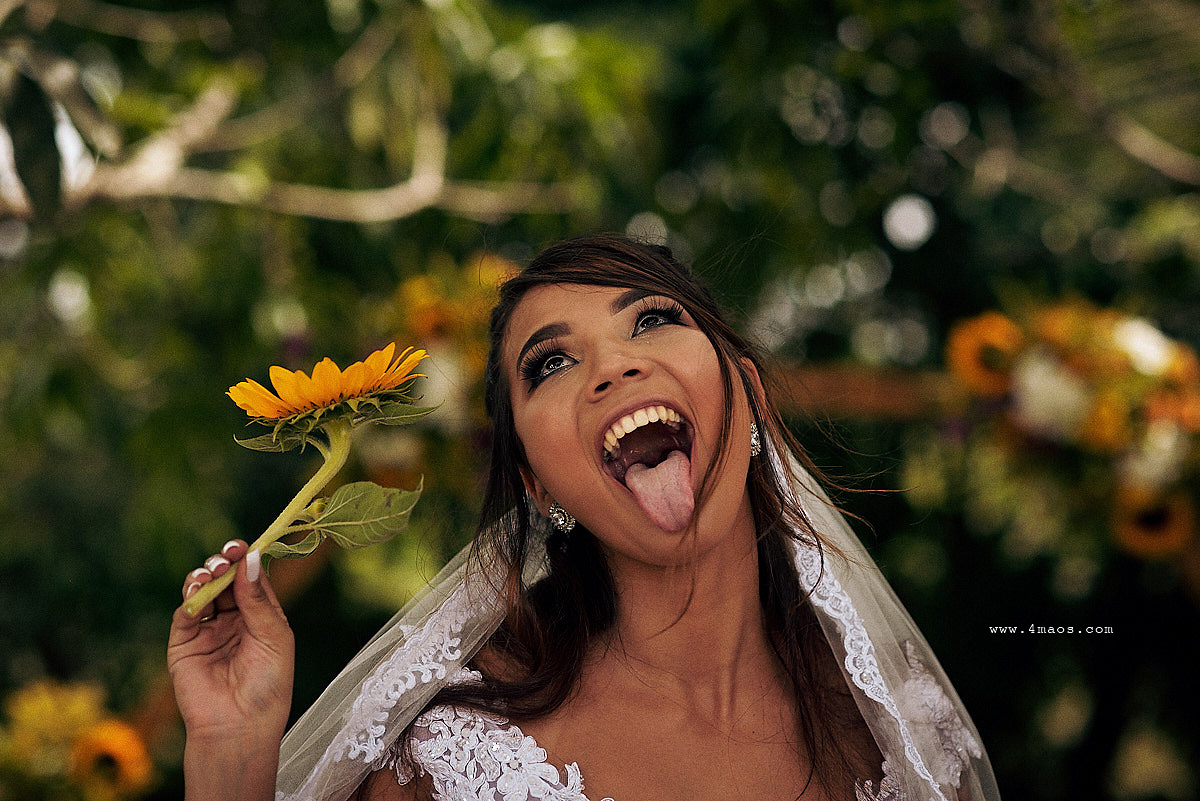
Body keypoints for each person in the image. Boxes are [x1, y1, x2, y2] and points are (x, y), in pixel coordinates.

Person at [168, 234, 1001, 801]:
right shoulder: (455, 761)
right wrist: (231, 752)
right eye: (553, 362)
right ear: (537, 486)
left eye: (653, 319)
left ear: (745, 394)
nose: (615, 365)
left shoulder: (904, 741)